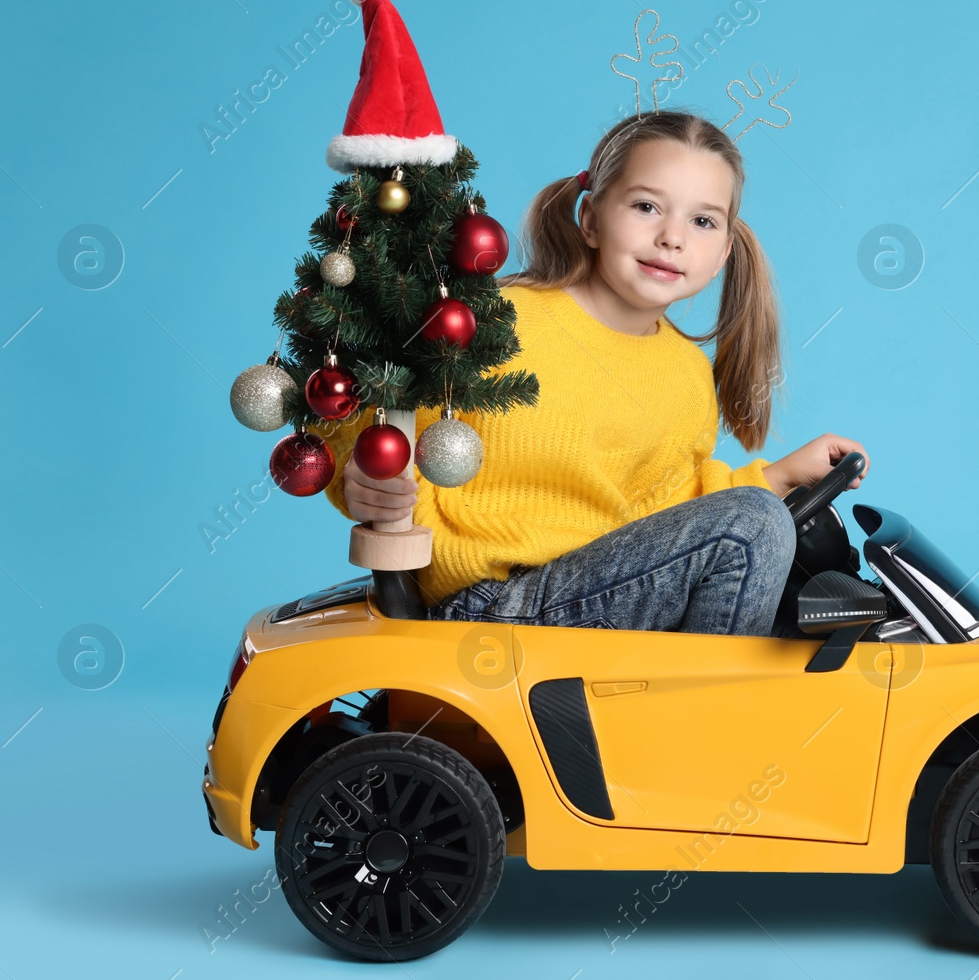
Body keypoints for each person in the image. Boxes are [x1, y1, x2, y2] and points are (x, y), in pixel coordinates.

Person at [322, 108, 871, 636]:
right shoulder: (500, 320)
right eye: (646, 207)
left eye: (702, 221)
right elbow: (378, 414)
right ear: (589, 218)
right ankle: (701, 725)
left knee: (800, 628)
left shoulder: (684, 371)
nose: (672, 237)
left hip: (601, 598)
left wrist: (774, 479)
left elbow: (667, 515)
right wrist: (363, 477)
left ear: (725, 251)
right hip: (492, 606)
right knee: (752, 527)